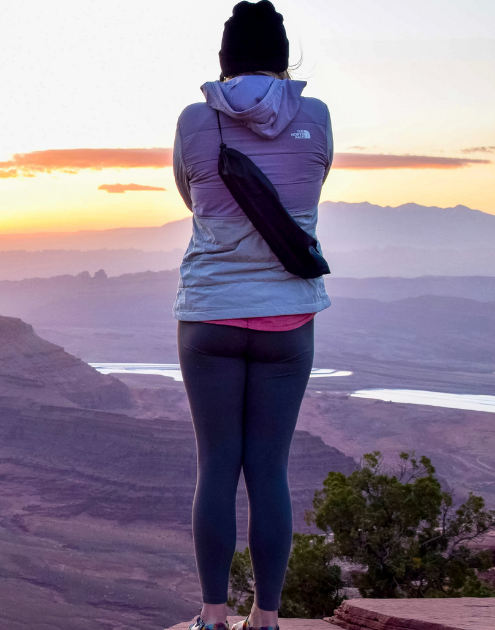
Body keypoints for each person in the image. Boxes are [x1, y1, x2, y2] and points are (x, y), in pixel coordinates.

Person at [172, 2, 333, 629]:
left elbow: (190, 195)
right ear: (283, 56)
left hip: (210, 313)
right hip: (287, 318)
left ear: (224, 58)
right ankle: (266, 621)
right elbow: (312, 186)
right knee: (268, 469)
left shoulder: (196, 119)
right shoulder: (315, 116)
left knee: (217, 465)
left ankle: (212, 617)